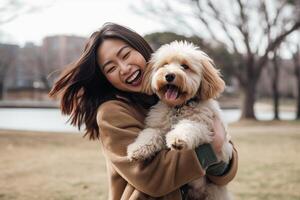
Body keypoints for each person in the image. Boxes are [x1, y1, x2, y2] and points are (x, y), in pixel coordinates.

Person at [49, 22, 238, 200]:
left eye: (125, 55)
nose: (124, 68)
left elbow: (224, 174)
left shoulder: (168, 94)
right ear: (106, 78)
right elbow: (151, 180)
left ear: (140, 49)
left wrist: (219, 160)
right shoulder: (112, 113)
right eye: (111, 68)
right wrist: (210, 148)